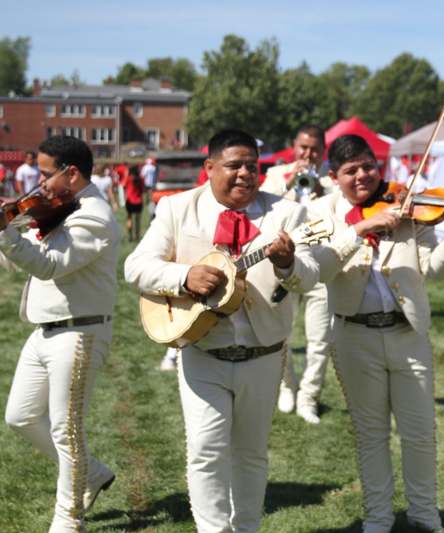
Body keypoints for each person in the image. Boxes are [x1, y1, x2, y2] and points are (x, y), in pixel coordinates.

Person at [124, 129, 319, 532]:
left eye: (253, 166)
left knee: (250, 454)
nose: (245, 174)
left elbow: (310, 277)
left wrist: (287, 264)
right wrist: (184, 275)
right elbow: (135, 267)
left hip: (264, 355)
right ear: (209, 168)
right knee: (205, 450)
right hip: (202, 350)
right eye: (234, 165)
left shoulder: (289, 214)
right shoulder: (178, 209)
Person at [310, 134, 444, 532]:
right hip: (355, 334)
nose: (363, 176)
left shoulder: (408, 205)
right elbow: (321, 268)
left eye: (369, 166)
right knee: (371, 435)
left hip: (407, 333)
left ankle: (425, 514)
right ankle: (378, 518)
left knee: (419, 432)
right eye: (351, 171)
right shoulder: (321, 212)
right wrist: (363, 226)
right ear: (335, 177)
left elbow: (434, 270)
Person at [2, 135, 121, 532]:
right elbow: (30, 260)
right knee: (19, 416)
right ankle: (92, 474)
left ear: (72, 173)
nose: (39, 183)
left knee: (66, 429)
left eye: (46, 174)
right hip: (46, 329)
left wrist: (7, 234)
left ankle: (68, 520)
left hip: (79, 333)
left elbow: (50, 265)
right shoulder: (61, 208)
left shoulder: (94, 215)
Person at [262, 125, 334, 422]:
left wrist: (321, 192)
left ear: (323, 151)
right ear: (294, 146)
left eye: (314, 149)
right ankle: (287, 384)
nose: (308, 154)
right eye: (303, 148)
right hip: (286, 262)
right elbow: (263, 204)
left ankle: (309, 397)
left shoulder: (331, 183)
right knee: (280, 332)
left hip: (320, 265)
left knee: (320, 340)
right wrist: (292, 180)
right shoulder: (277, 175)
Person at [120, 164, 144, 241]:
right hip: (138, 201)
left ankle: (130, 236)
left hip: (129, 201)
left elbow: (123, 186)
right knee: (138, 220)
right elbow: (143, 189)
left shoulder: (128, 178)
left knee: (129, 218)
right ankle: (137, 236)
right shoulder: (141, 179)